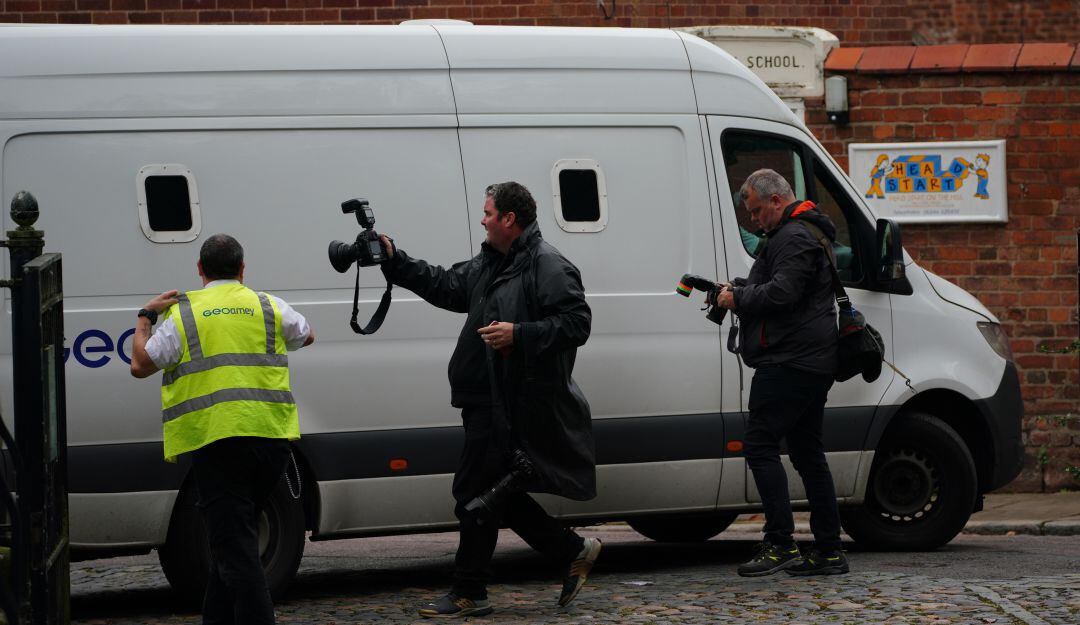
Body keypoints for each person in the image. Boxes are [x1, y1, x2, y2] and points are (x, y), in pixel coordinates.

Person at [379, 181, 600, 618]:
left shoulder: (548, 264)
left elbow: (577, 323)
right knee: (488, 494)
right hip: (484, 397)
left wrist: (519, 335)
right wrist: (395, 262)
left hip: (510, 402)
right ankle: (570, 549)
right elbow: (447, 285)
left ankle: (470, 591)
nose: (482, 219)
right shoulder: (492, 261)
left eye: (487, 212)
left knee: (474, 491)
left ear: (508, 220)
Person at [130, 233, 315, 624]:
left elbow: (141, 365)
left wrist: (146, 316)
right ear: (242, 269)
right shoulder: (267, 304)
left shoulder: (185, 314)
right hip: (271, 443)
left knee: (237, 549)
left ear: (200, 270)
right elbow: (307, 334)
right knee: (231, 541)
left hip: (218, 446)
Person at [714, 169, 849, 577]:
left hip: (790, 361)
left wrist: (737, 298)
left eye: (757, 212)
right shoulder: (801, 234)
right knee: (808, 454)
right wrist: (737, 287)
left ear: (776, 200)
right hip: (809, 358)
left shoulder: (793, 236)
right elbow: (785, 286)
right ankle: (828, 551)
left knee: (759, 444)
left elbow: (783, 293)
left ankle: (779, 543)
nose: (755, 220)